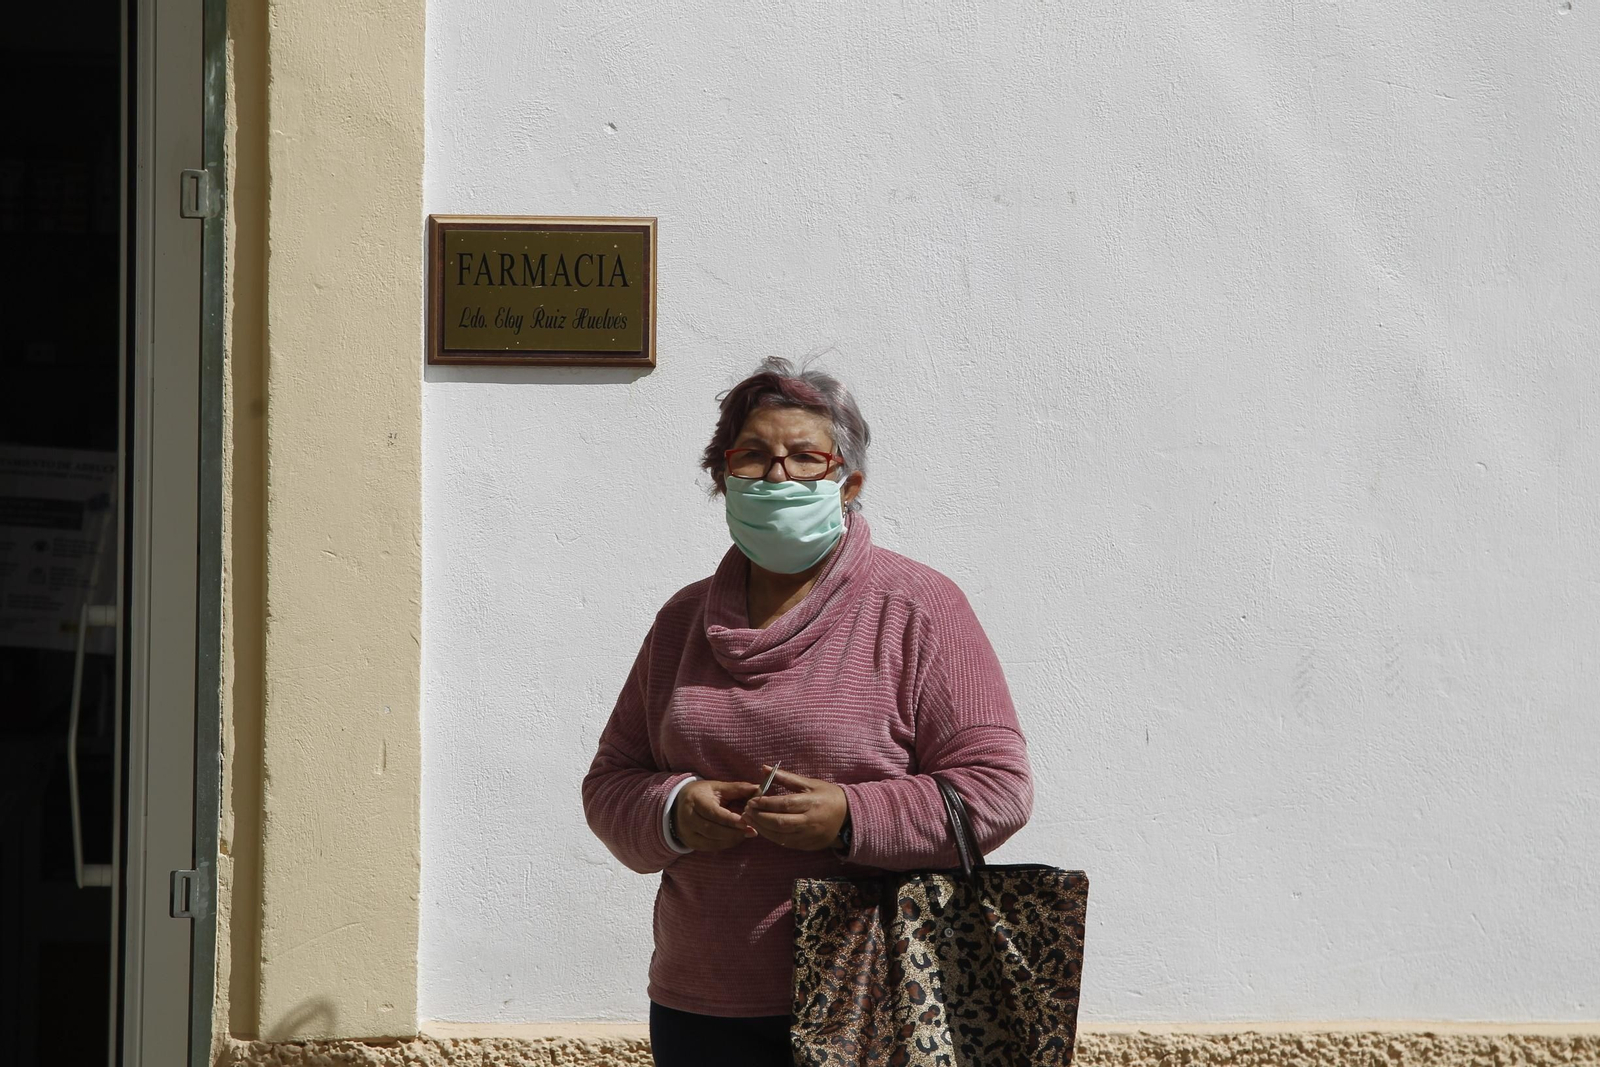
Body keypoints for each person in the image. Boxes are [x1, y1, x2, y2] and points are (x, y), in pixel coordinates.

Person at [581, 358, 1034, 1067]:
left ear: (848, 482)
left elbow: (997, 789)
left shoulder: (919, 608)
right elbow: (610, 783)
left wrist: (852, 816)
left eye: (803, 456)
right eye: (753, 456)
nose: (776, 475)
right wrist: (673, 809)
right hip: (700, 1001)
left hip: (876, 995)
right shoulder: (682, 621)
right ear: (723, 475)